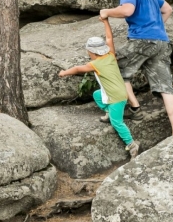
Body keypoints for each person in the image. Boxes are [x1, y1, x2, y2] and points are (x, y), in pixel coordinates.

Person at [100, 0, 173, 136]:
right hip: (162, 42)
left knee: (113, 67)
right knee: (166, 88)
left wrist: (107, 12)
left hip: (142, 40)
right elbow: (168, 9)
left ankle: (134, 108)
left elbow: (127, 10)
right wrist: (156, 28)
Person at [58, 17, 140, 158]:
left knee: (117, 123)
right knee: (97, 94)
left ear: (91, 52)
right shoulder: (111, 55)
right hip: (118, 93)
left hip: (116, 97)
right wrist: (105, 22)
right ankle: (109, 112)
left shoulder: (94, 64)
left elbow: (78, 68)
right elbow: (109, 37)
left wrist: (64, 72)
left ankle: (132, 144)